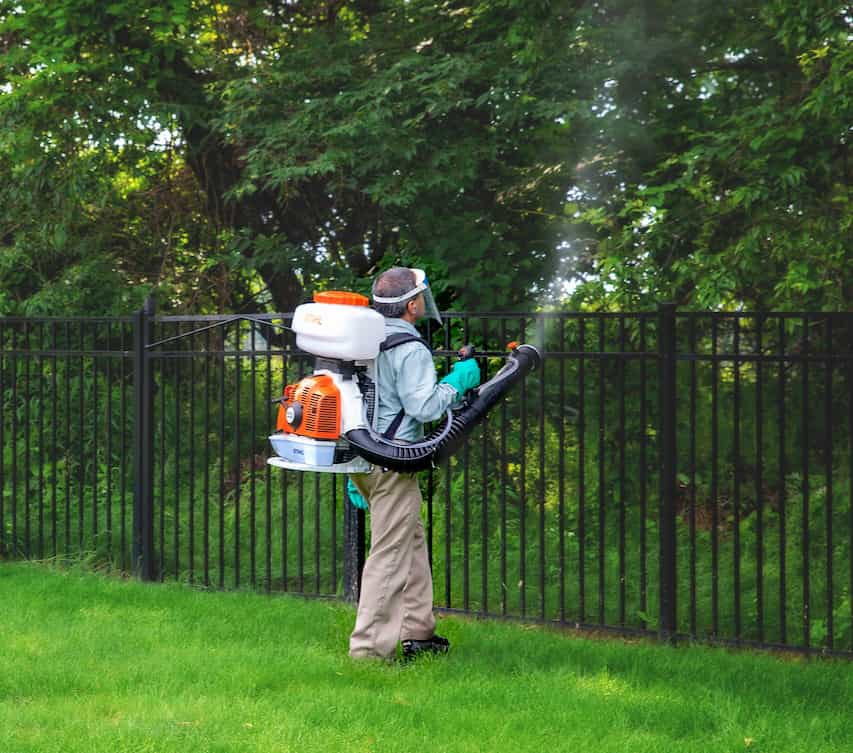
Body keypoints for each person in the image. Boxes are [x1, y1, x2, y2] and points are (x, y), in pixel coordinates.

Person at [346, 267, 481, 661]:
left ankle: (417, 630)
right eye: (421, 296)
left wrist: (358, 470)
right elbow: (422, 405)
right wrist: (458, 380)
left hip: (366, 459)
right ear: (411, 304)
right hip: (393, 461)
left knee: (410, 540)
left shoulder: (366, 340)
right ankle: (369, 650)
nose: (425, 302)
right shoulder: (410, 347)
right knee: (389, 553)